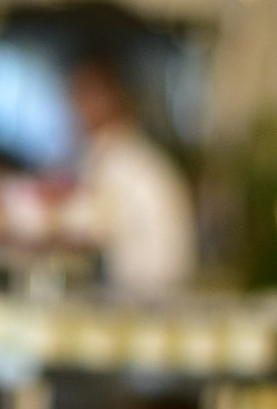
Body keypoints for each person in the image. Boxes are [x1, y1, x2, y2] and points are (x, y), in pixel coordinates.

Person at [68, 50, 197, 297]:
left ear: (113, 96)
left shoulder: (130, 165)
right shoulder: (105, 156)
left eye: (87, 94)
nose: (77, 107)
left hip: (140, 296)